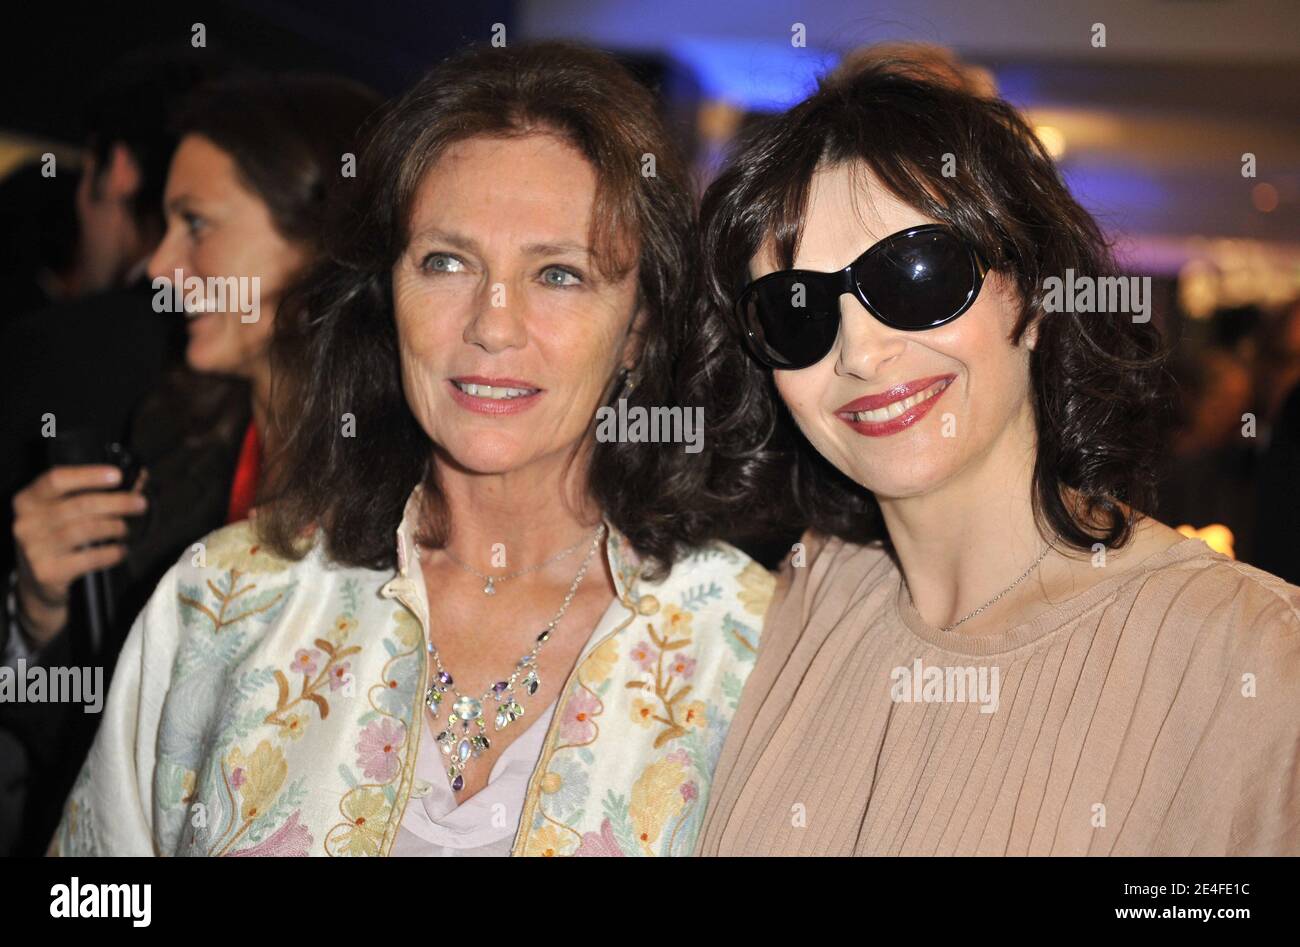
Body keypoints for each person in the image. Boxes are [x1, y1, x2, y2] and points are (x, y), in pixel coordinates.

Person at [52, 42, 776, 858]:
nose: (492, 324)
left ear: (640, 326)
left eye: (560, 275)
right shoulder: (225, 600)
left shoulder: (748, 650)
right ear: (384, 296)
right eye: (446, 261)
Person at [694, 61, 1300, 855]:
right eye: (797, 309)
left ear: (1038, 293)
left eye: (914, 275)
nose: (861, 353)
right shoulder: (800, 604)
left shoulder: (1250, 653)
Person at [7, 72, 381, 856]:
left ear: (320, 236)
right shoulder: (172, 437)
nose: (159, 267)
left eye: (197, 225)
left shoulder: (407, 491)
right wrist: (39, 614)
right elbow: (96, 759)